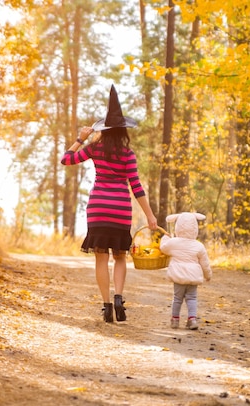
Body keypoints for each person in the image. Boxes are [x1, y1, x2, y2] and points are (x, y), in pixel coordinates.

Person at [60, 84, 157, 323]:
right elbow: (136, 187)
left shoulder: (95, 148)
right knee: (120, 257)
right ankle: (118, 297)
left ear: (105, 128)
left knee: (101, 258)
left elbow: (66, 159)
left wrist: (80, 139)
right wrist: (150, 216)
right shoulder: (128, 154)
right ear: (123, 130)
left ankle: (106, 307)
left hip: (98, 208)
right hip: (120, 209)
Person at [159, 212, 212, 330]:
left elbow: (163, 248)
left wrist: (165, 237)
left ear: (178, 226)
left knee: (177, 298)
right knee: (192, 298)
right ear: (195, 228)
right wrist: (208, 275)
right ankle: (192, 319)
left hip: (178, 276)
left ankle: (175, 320)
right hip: (193, 277)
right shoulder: (199, 246)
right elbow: (205, 263)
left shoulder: (173, 242)